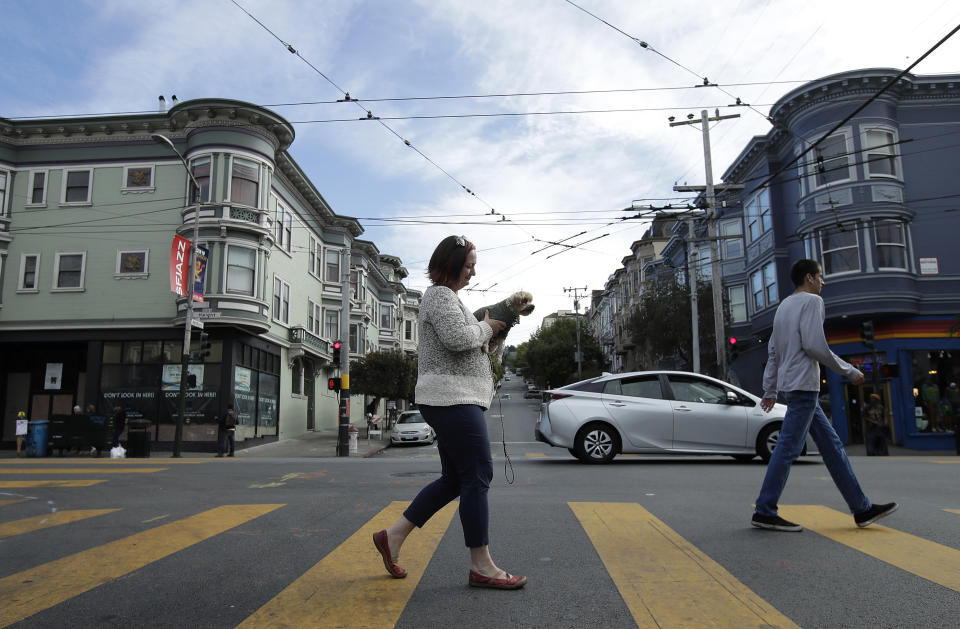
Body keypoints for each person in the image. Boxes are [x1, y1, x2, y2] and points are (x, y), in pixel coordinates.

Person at [372, 235, 526, 589]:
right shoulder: (439, 296)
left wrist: (494, 335)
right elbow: (459, 340)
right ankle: (482, 566)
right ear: (451, 265)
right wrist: (487, 326)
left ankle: (392, 537)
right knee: (478, 475)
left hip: (455, 397)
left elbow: (473, 351)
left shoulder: (452, 301)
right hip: (451, 398)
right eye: (469, 265)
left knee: (455, 480)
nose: (473, 272)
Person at [752, 259, 898, 532]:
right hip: (804, 387)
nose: (823, 282)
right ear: (808, 278)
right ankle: (764, 509)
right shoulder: (812, 302)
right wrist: (850, 371)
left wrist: (770, 389)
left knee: (831, 447)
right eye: (820, 276)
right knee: (787, 449)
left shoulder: (783, 307)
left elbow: (773, 351)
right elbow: (815, 346)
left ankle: (862, 509)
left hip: (793, 386)